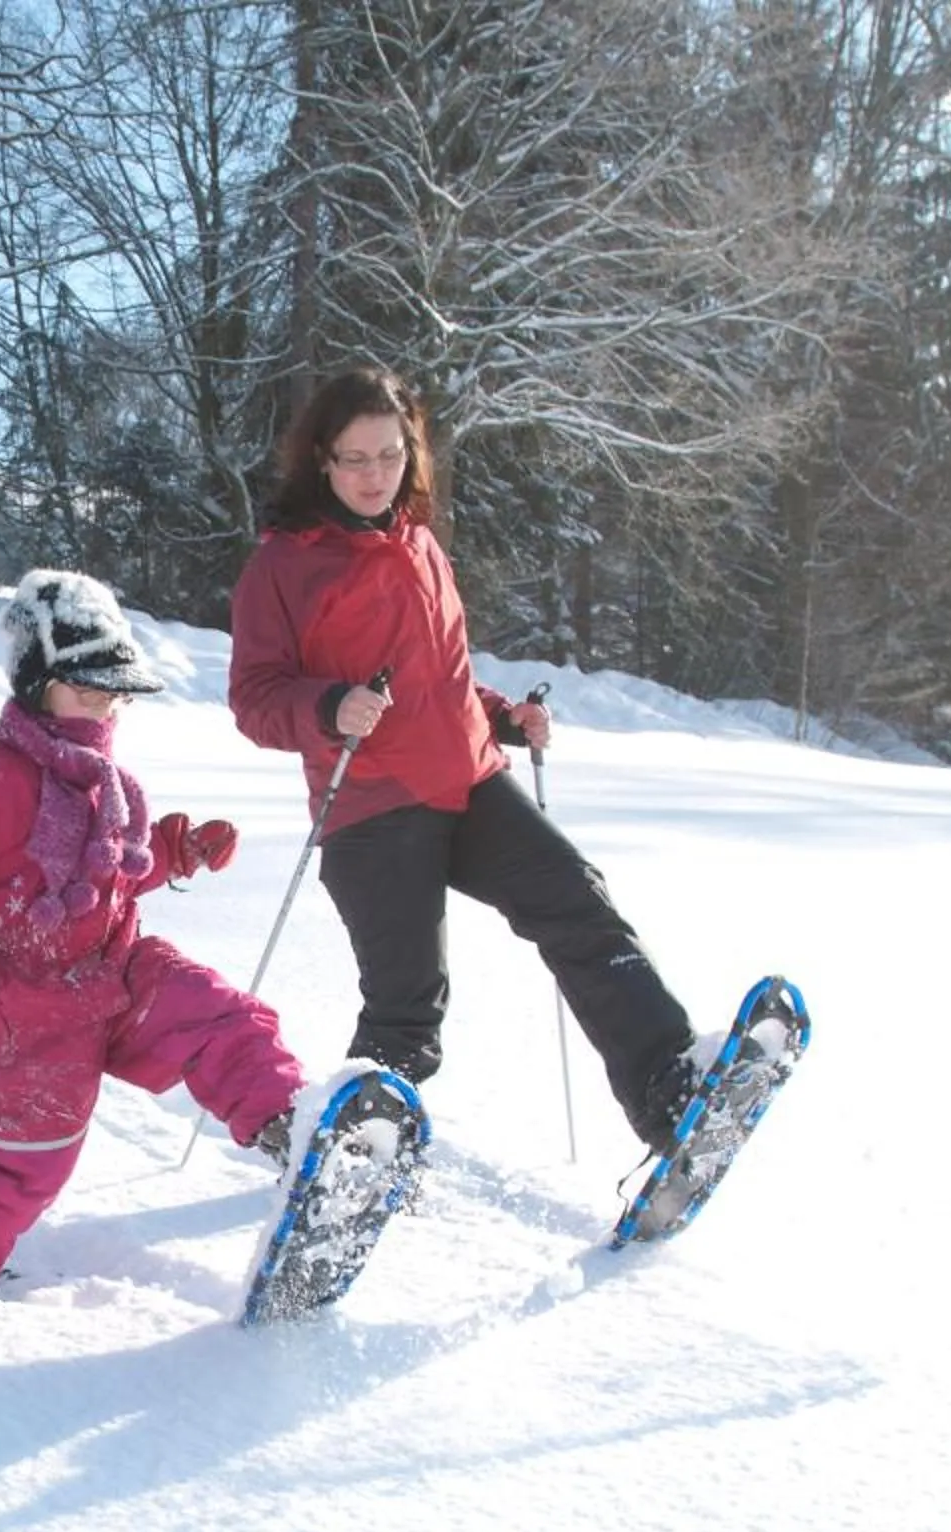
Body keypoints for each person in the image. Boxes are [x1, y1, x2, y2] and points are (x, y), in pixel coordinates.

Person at [227, 363, 702, 1153]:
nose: (375, 475)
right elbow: (254, 699)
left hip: (472, 783)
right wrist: (326, 706)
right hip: (373, 806)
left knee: (579, 906)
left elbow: (434, 673)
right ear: (322, 460)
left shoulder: (419, 545)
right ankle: (352, 1164)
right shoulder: (283, 566)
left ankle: (672, 1094)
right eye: (355, 458)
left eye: (390, 455)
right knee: (408, 1010)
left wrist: (503, 718)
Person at [0, 570, 310, 1294]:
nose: (101, 704)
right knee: (29, 1164)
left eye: (112, 692)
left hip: (118, 969)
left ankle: (301, 1133)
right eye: (84, 688)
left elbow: (111, 871)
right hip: (30, 1008)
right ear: (37, 684)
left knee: (217, 1016)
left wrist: (179, 850)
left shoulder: (107, 783)